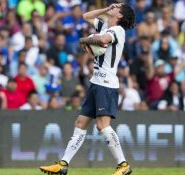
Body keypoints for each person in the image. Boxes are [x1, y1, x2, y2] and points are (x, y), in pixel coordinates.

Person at [39, 3, 135, 175]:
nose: (114, 6)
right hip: (96, 82)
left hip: (106, 84)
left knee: (102, 126)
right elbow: (86, 16)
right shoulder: (106, 26)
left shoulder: (118, 30)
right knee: (80, 123)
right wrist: (106, 10)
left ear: (120, 15)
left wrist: (86, 40)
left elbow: (103, 40)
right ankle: (63, 164)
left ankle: (123, 165)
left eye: (117, 7)